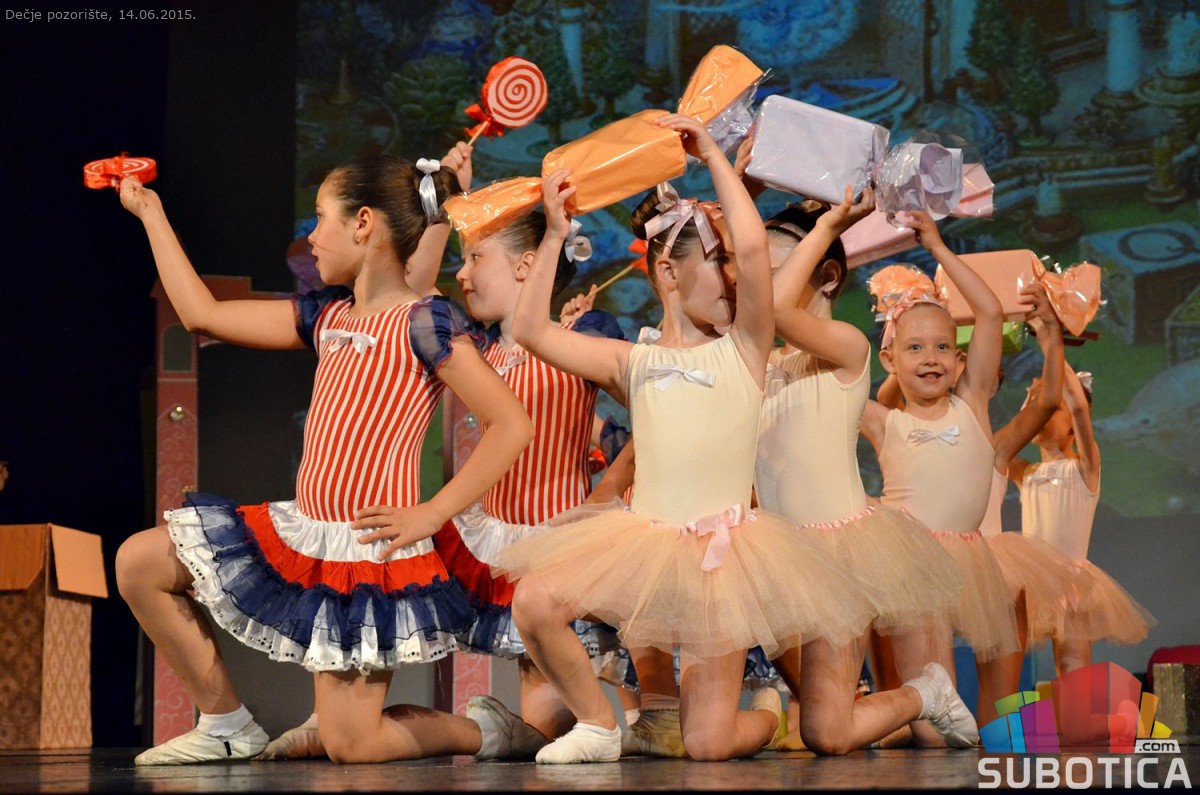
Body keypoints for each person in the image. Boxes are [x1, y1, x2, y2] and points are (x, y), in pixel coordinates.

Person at [113, 154, 534, 765]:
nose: (311, 237)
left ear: (363, 223)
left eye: (320, 218)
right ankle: (226, 723)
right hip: (304, 533)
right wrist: (151, 213)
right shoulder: (327, 315)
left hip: (363, 556)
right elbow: (203, 315)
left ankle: (489, 732)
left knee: (352, 745)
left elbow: (511, 424)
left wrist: (432, 512)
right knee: (139, 562)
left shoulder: (425, 322)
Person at [498, 114, 873, 764]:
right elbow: (530, 330)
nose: (734, 276)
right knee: (533, 599)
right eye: (716, 262)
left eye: (733, 263)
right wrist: (555, 233)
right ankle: (598, 724)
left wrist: (714, 160)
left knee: (706, 744)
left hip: (719, 563)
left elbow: (753, 251)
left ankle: (766, 714)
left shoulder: (746, 348)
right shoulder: (632, 360)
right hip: (643, 544)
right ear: (668, 274)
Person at [753, 192, 973, 754]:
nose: (760, 286)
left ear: (826, 276)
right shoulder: (763, 362)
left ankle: (925, 692)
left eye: (778, 272)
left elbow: (775, 310)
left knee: (826, 734)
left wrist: (827, 226)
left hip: (835, 557)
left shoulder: (847, 350)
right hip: (777, 554)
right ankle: (859, 707)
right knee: (821, 718)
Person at [860, 210, 1021, 747]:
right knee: (931, 720)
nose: (930, 358)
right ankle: (895, 730)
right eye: (914, 348)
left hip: (967, 558)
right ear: (889, 359)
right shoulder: (884, 422)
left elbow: (990, 312)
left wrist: (938, 246)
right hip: (909, 560)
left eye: (942, 348)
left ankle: (898, 732)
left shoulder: (971, 403)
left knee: (950, 716)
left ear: (959, 359)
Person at [1016, 367, 1155, 677]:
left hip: (1071, 584)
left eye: (1052, 409)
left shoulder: (1084, 468)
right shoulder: (1026, 473)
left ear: (1072, 428)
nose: (1042, 414)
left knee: (1072, 664)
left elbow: (1079, 409)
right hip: (1034, 585)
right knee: (1019, 659)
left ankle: (1079, 708)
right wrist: (1032, 399)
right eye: (1039, 408)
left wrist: (1056, 354)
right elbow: (1002, 443)